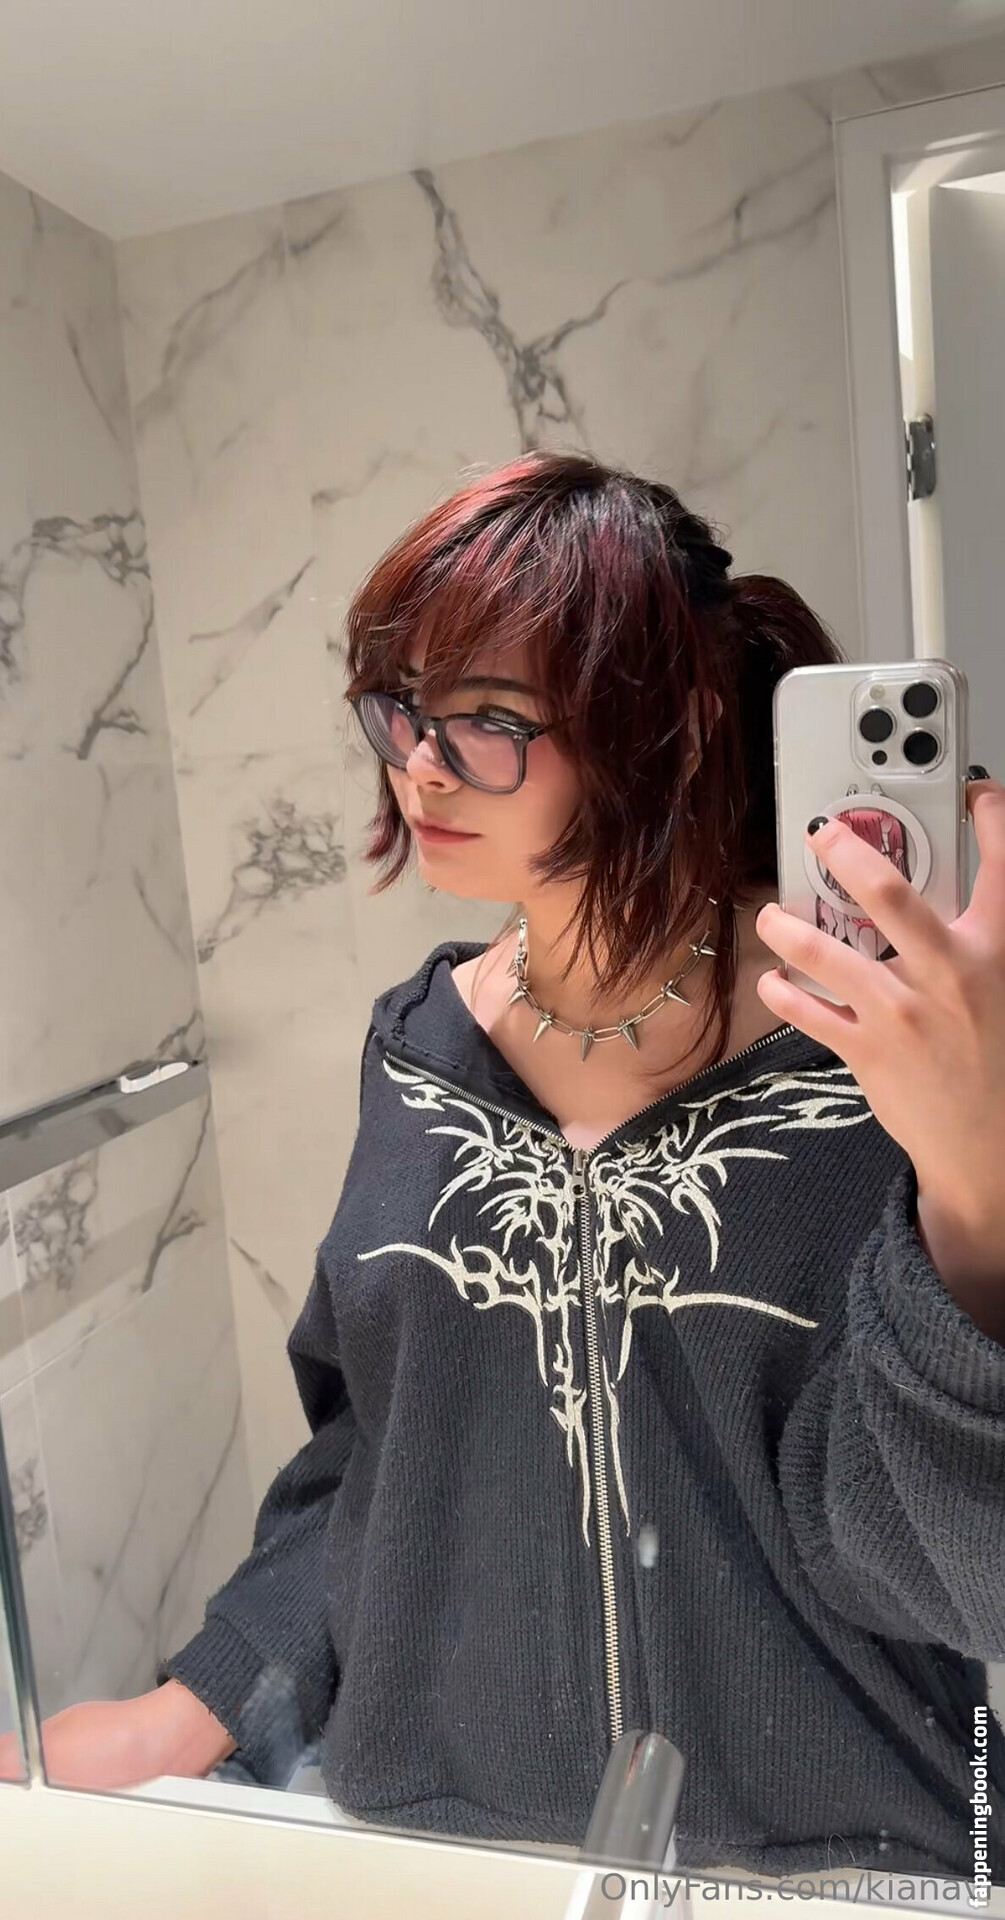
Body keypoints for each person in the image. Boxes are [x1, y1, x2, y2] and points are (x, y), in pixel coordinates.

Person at [7, 451, 1005, 1883]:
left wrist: (973, 1174)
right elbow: (379, 1451)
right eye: (402, 709)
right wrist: (195, 1705)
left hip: (837, 1858)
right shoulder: (417, 1050)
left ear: (669, 730)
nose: (419, 764)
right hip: (448, 1845)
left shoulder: (865, 1049)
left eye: (489, 720)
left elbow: (953, 1574)